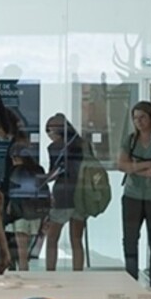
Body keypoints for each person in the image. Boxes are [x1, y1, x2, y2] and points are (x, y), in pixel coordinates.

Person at [114, 102, 151, 288]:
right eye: (135, 118)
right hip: (132, 195)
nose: (138, 121)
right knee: (130, 237)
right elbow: (121, 165)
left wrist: (134, 167)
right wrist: (147, 164)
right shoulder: (130, 139)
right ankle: (130, 275)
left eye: (142, 117)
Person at [40, 114, 88, 271]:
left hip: (63, 195)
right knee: (77, 239)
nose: (49, 134)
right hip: (81, 195)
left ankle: (50, 272)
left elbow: (54, 173)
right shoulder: (83, 144)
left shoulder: (55, 147)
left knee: (52, 238)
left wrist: (43, 180)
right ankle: (78, 274)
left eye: (49, 130)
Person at [1, 136, 49, 271]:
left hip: (19, 212)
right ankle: (25, 269)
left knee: (21, 249)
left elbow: (10, 192)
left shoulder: (15, 171)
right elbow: (44, 191)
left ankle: (23, 271)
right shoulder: (38, 169)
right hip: (35, 212)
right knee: (27, 247)